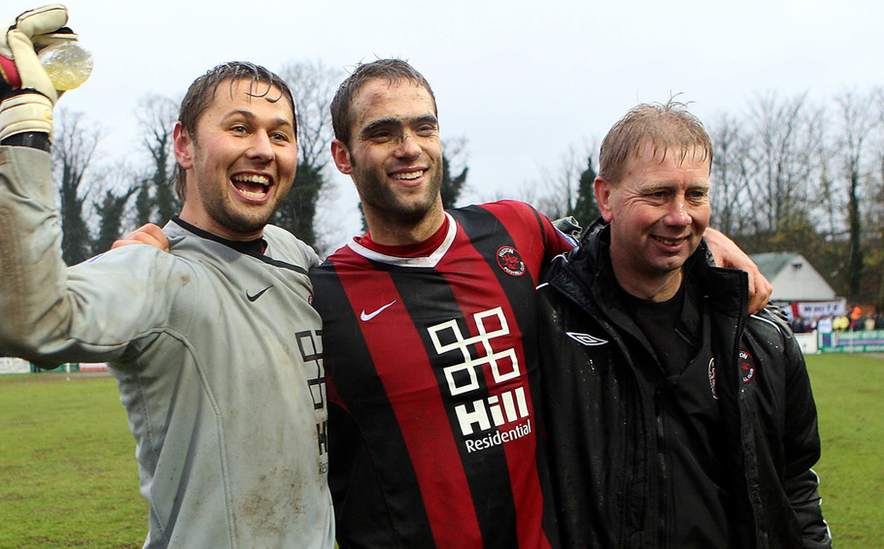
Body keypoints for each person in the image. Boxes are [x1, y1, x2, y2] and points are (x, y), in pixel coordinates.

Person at [309, 60, 773, 548]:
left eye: (424, 127)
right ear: (343, 156)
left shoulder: (515, 230)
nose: (409, 148)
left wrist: (705, 245)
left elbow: (618, 258)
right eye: (383, 133)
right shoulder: (321, 300)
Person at [0, 6, 333, 548]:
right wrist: (26, 122)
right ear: (184, 145)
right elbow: (26, 319)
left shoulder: (297, 256)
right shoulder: (154, 269)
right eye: (239, 128)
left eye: (279, 135)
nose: (262, 148)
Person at [536, 101, 831, 547]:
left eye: (696, 195)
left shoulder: (759, 333)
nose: (680, 216)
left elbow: (795, 486)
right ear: (605, 197)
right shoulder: (544, 324)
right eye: (657, 194)